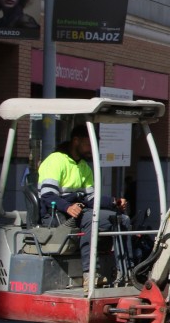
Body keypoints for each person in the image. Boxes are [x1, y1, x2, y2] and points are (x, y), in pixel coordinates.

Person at [38, 124, 128, 290]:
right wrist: (67, 207)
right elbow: (47, 194)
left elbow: (91, 198)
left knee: (120, 219)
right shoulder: (55, 161)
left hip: (77, 213)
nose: (91, 150)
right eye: (88, 144)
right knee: (90, 218)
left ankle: (126, 271)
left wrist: (113, 202)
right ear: (76, 141)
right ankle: (90, 273)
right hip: (56, 216)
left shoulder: (84, 167)